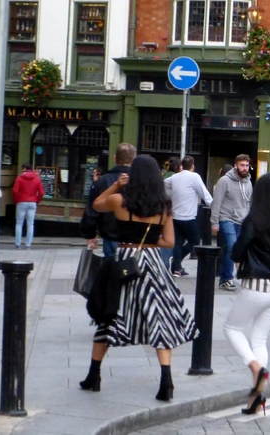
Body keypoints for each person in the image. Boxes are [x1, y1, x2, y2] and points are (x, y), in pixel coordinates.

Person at [81, 155, 196, 401]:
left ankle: (94, 374)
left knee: (110, 312)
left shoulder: (119, 200)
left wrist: (116, 185)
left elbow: (96, 204)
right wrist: (150, 242)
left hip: (124, 260)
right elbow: (170, 242)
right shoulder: (164, 207)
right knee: (159, 317)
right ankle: (166, 381)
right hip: (153, 262)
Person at [224, 173, 270, 415]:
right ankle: (256, 398)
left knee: (232, 329)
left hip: (256, 286)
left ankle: (256, 368)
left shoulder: (253, 221)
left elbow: (236, 253)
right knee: (259, 340)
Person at [80, 143, 136, 260]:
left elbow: (92, 210)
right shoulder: (140, 181)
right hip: (133, 237)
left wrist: (90, 234)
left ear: (115, 158)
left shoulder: (102, 181)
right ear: (133, 159)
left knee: (111, 270)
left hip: (110, 234)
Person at [164, 156, 212, 277]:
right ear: (192, 166)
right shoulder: (194, 176)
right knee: (195, 242)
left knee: (178, 242)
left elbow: (164, 185)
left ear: (181, 166)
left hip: (175, 216)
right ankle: (176, 261)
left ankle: (177, 268)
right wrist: (215, 207)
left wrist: (171, 196)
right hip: (188, 217)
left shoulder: (174, 177)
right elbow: (204, 194)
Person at [211, 154, 253, 291]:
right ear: (235, 165)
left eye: (246, 165)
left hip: (242, 220)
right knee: (231, 246)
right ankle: (226, 278)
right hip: (226, 217)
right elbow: (216, 202)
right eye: (242, 165)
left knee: (238, 248)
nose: (245, 168)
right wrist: (214, 222)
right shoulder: (224, 181)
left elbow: (249, 203)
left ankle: (230, 275)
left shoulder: (248, 182)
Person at [12, 163, 45, 250]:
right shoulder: (37, 178)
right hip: (32, 202)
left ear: (24, 169)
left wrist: (17, 200)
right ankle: (28, 244)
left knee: (19, 223)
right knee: (30, 224)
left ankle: (18, 244)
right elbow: (41, 193)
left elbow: (15, 191)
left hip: (21, 202)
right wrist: (36, 201)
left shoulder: (19, 178)